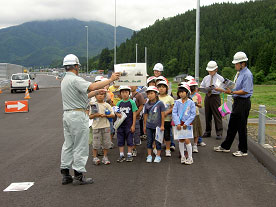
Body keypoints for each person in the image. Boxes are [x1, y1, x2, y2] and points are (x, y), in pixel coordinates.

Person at [60, 54, 120, 185]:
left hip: (68, 114)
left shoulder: (65, 80)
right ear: (76, 66)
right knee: (81, 145)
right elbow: (92, 86)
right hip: (77, 114)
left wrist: (100, 90)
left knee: (68, 144)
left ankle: (65, 173)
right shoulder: (75, 79)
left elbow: (87, 94)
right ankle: (79, 175)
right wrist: (110, 80)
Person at [214, 51, 253, 157]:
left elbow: (245, 90)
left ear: (242, 64)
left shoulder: (247, 75)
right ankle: (226, 146)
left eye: (236, 63)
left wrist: (231, 92)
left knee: (241, 126)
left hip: (243, 102)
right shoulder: (239, 73)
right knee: (232, 125)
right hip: (237, 101)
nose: (235, 65)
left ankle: (243, 150)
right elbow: (236, 86)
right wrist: (225, 87)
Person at [172, 83, 196, 164]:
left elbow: (193, 114)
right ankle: (182, 156)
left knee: (187, 140)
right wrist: (177, 123)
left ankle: (190, 157)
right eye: (180, 92)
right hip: (179, 123)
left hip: (187, 124)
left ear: (187, 92)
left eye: (183, 92)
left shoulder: (191, 102)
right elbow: (174, 113)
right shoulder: (177, 102)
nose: (181, 94)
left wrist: (187, 123)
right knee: (181, 140)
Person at [200, 61, 224, 139]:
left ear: (216, 69)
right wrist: (204, 89)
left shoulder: (220, 78)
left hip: (216, 97)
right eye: (209, 70)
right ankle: (207, 131)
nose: (210, 72)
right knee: (207, 114)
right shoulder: (206, 78)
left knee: (217, 115)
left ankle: (219, 132)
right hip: (207, 96)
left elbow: (223, 89)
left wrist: (217, 89)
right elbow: (202, 86)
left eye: (212, 70)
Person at [90, 93, 115, 165]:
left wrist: (106, 115)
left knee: (106, 142)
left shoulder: (107, 105)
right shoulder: (93, 105)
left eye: (102, 94)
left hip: (106, 126)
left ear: (104, 96)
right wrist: (96, 115)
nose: (100, 96)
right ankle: (95, 157)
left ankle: (105, 157)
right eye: (98, 94)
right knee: (95, 143)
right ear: (95, 96)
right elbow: (90, 116)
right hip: (96, 126)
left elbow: (113, 115)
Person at [116, 86, 138, 162]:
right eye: (122, 92)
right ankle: (121, 155)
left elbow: (134, 114)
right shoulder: (119, 102)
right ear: (120, 93)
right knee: (120, 140)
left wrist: (133, 125)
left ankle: (129, 154)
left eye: (126, 92)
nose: (124, 94)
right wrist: (117, 114)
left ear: (129, 93)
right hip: (120, 125)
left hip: (129, 124)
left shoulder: (132, 102)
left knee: (129, 140)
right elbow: (116, 111)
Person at [144, 86, 165, 163]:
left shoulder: (160, 104)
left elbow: (163, 115)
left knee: (158, 141)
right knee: (149, 141)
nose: (150, 95)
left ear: (156, 94)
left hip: (158, 126)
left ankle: (158, 156)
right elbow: (145, 115)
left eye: (151, 93)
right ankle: (149, 155)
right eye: (148, 94)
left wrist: (162, 125)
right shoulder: (146, 104)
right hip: (149, 125)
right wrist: (145, 126)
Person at [157, 81, 175, 157]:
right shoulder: (156, 97)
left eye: (163, 87)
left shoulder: (170, 98)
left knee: (167, 135)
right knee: (157, 135)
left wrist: (167, 112)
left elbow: (173, 107)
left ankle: (168, 149)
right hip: (157, 120)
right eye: (159, 87)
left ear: (166, 88)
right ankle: (157, 149)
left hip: (167, 120)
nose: (161, 89)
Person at [188, 80, 203, 153]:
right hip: (187, 115)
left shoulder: (198, 95)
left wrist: (196, 104)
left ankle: (195, 145)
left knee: (196, 130)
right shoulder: (186, 95)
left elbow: (200, 105)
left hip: (195, 115)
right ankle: (186, 145)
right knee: (187, 130)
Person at [130, 86, 145, 157]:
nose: (131, 87)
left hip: (136, 117)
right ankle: (130, 148)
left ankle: (134, 148)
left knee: (135, 133)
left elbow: (141, 106)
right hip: (127, 117)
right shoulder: (127, 94)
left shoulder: (139, 95)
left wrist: (135, 114)